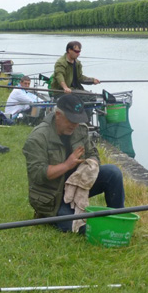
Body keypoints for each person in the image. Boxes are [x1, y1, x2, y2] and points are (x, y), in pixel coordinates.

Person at [22, 94, 125, 232]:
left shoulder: (80, 129)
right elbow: (37, 174)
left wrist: (91, 165)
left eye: (78, 120)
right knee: (81, 227)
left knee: (113, 173)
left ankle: (118, 218)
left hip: (79, 186)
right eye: (71, 120)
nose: (75, 125)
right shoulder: (38, 138)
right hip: (54, 197)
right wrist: (67, 165)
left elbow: (93, 154)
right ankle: (54, 217)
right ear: (58, 114)